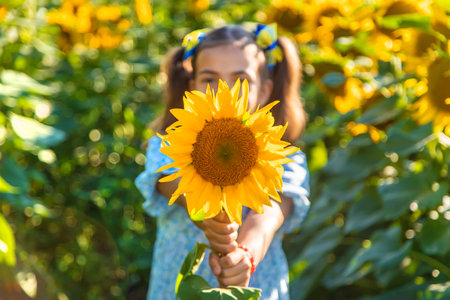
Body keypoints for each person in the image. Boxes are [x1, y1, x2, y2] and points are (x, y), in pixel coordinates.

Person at [135, 24, 310, 300]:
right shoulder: (170, 142)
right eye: (209, 80)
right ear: (191, 88)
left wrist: (246, 255)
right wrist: (207, 217)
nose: (224, 91)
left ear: (265, 91)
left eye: (241, 79)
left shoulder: (283, 155)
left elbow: (270, 214)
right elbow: (171, 182)